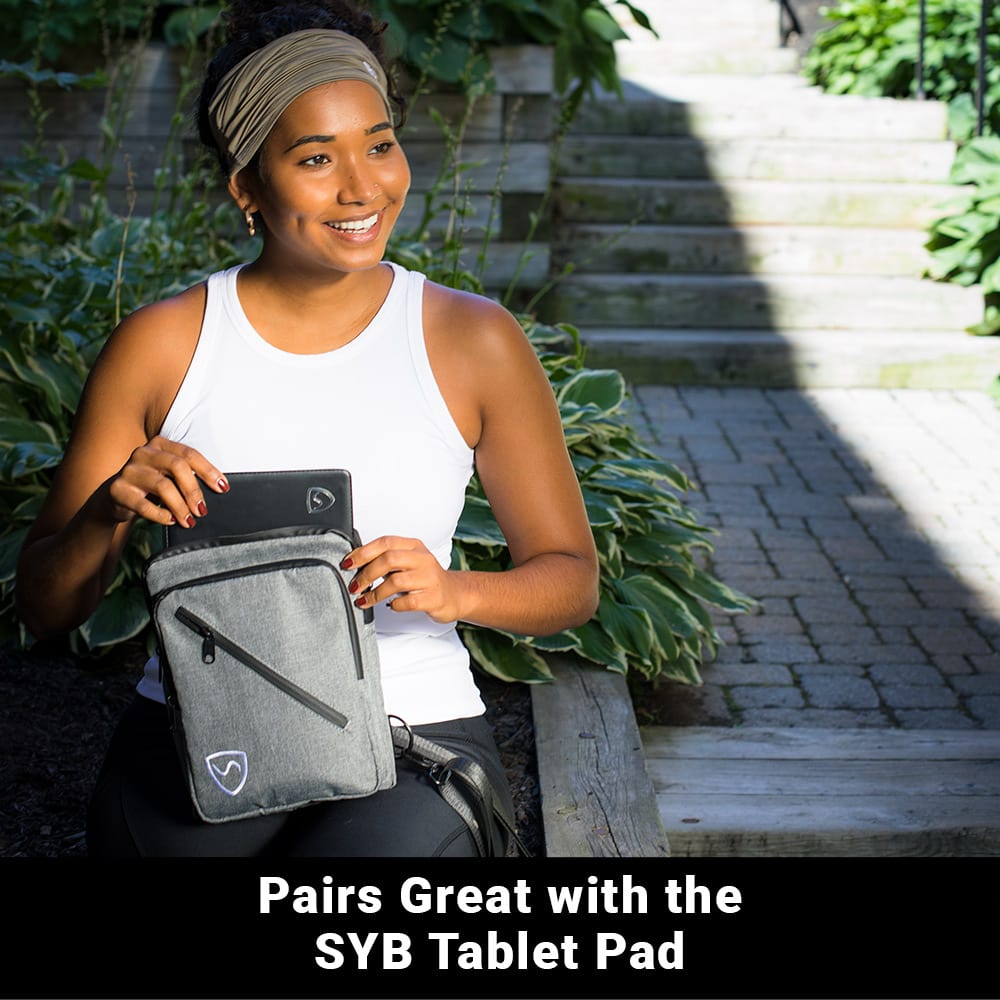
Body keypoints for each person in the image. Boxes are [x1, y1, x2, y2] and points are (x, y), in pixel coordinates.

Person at [14, 0, 599, 857]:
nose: (362, 187)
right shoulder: (162, 345)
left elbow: (571, 580)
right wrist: (108, 510)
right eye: (316, 158)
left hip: (414, 736)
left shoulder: (473, 340)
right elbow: (46, 606)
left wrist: (456, 590)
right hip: (205, 730)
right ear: (246, 188)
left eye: (380, 142)